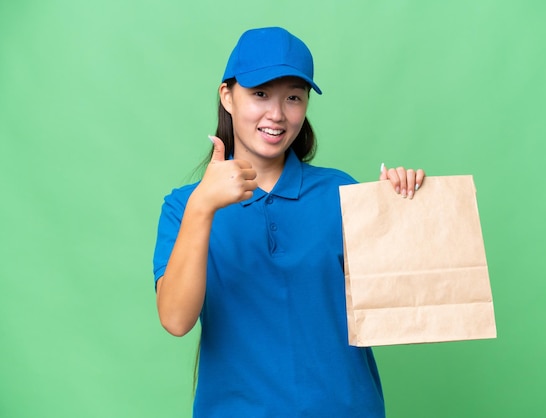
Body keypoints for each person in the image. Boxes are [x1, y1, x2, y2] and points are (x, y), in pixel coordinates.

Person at [153, 26, 425, 417]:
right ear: (227, 96)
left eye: (293, 98)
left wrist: (401, 209)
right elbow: (176, 320)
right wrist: (203, 207)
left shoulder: (341, 191)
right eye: (260, 94)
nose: (277, 115)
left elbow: (399, 303)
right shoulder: (183, 207)